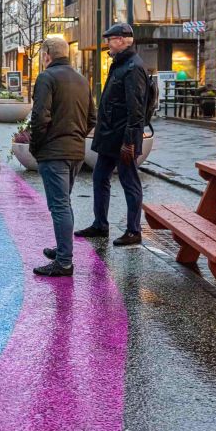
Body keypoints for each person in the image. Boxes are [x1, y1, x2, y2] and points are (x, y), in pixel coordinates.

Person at [28, 36, 96, 277]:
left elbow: (39, 118)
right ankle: (63, 249)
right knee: (63, 203)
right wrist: (75, 136)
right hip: (75, 151)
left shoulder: (47, 77)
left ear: (47, 54)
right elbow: (92, 119)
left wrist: (36, 146)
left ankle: (64, 261)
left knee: (59, 205)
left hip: (53, 151)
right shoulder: (81, 79)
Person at [75, 23, 149, 247]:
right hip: (110, 136)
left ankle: (133, 230)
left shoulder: (133, 67)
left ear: (122, 40)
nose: (107, 43)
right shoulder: (120, 64)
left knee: (129, 181)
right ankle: (100, 224)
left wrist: (129, 142)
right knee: (99, 177)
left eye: (110, 39)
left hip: (122, 138)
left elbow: (136, 110)